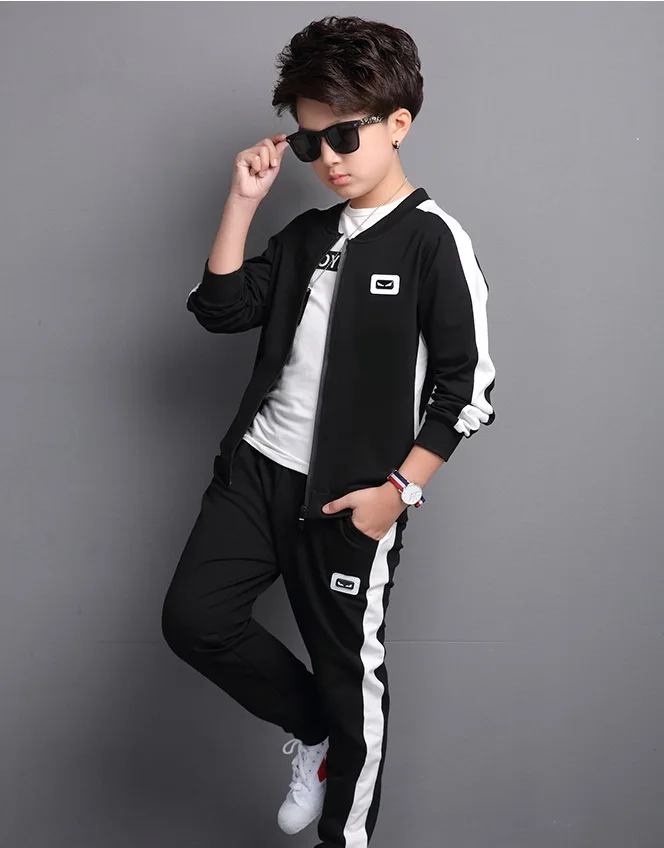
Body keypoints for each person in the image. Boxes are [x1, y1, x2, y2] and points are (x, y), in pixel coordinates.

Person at [161, 14, 496, 848]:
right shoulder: (309, 235)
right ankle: (315, 735)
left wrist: (399, 491)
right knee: (195, 620)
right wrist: (243, 202)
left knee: (354, 689)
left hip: (349, 501)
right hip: (257, 474)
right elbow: (221, 309)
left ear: (397, 123)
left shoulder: (433, 243)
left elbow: (468, 389)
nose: (329, 158)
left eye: (344, 134)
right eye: (311, 142)